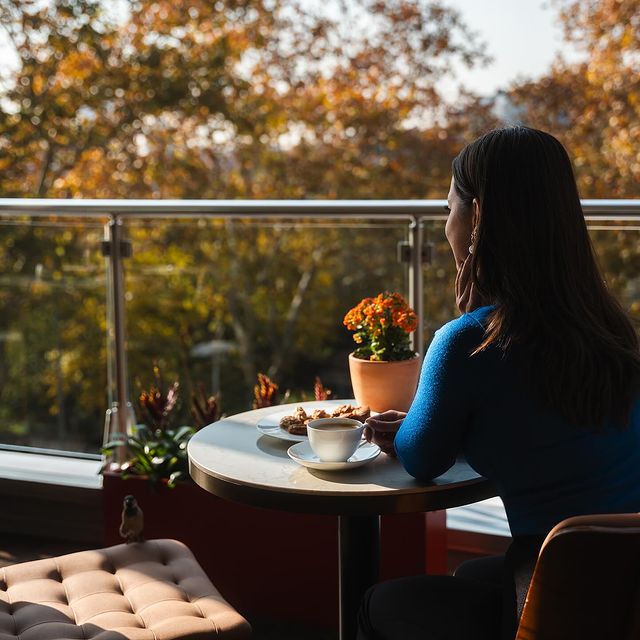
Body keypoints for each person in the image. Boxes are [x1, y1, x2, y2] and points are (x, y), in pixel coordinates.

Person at [357, 125, 640, 640]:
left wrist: (405, 431)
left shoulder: (471, 342)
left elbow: (422, 459)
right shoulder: (612, 329)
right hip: (627, 587)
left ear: (478, 216)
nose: (446, 226)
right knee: (470, 574)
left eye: (449, 209)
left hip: (561, 596)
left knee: (380, 602)